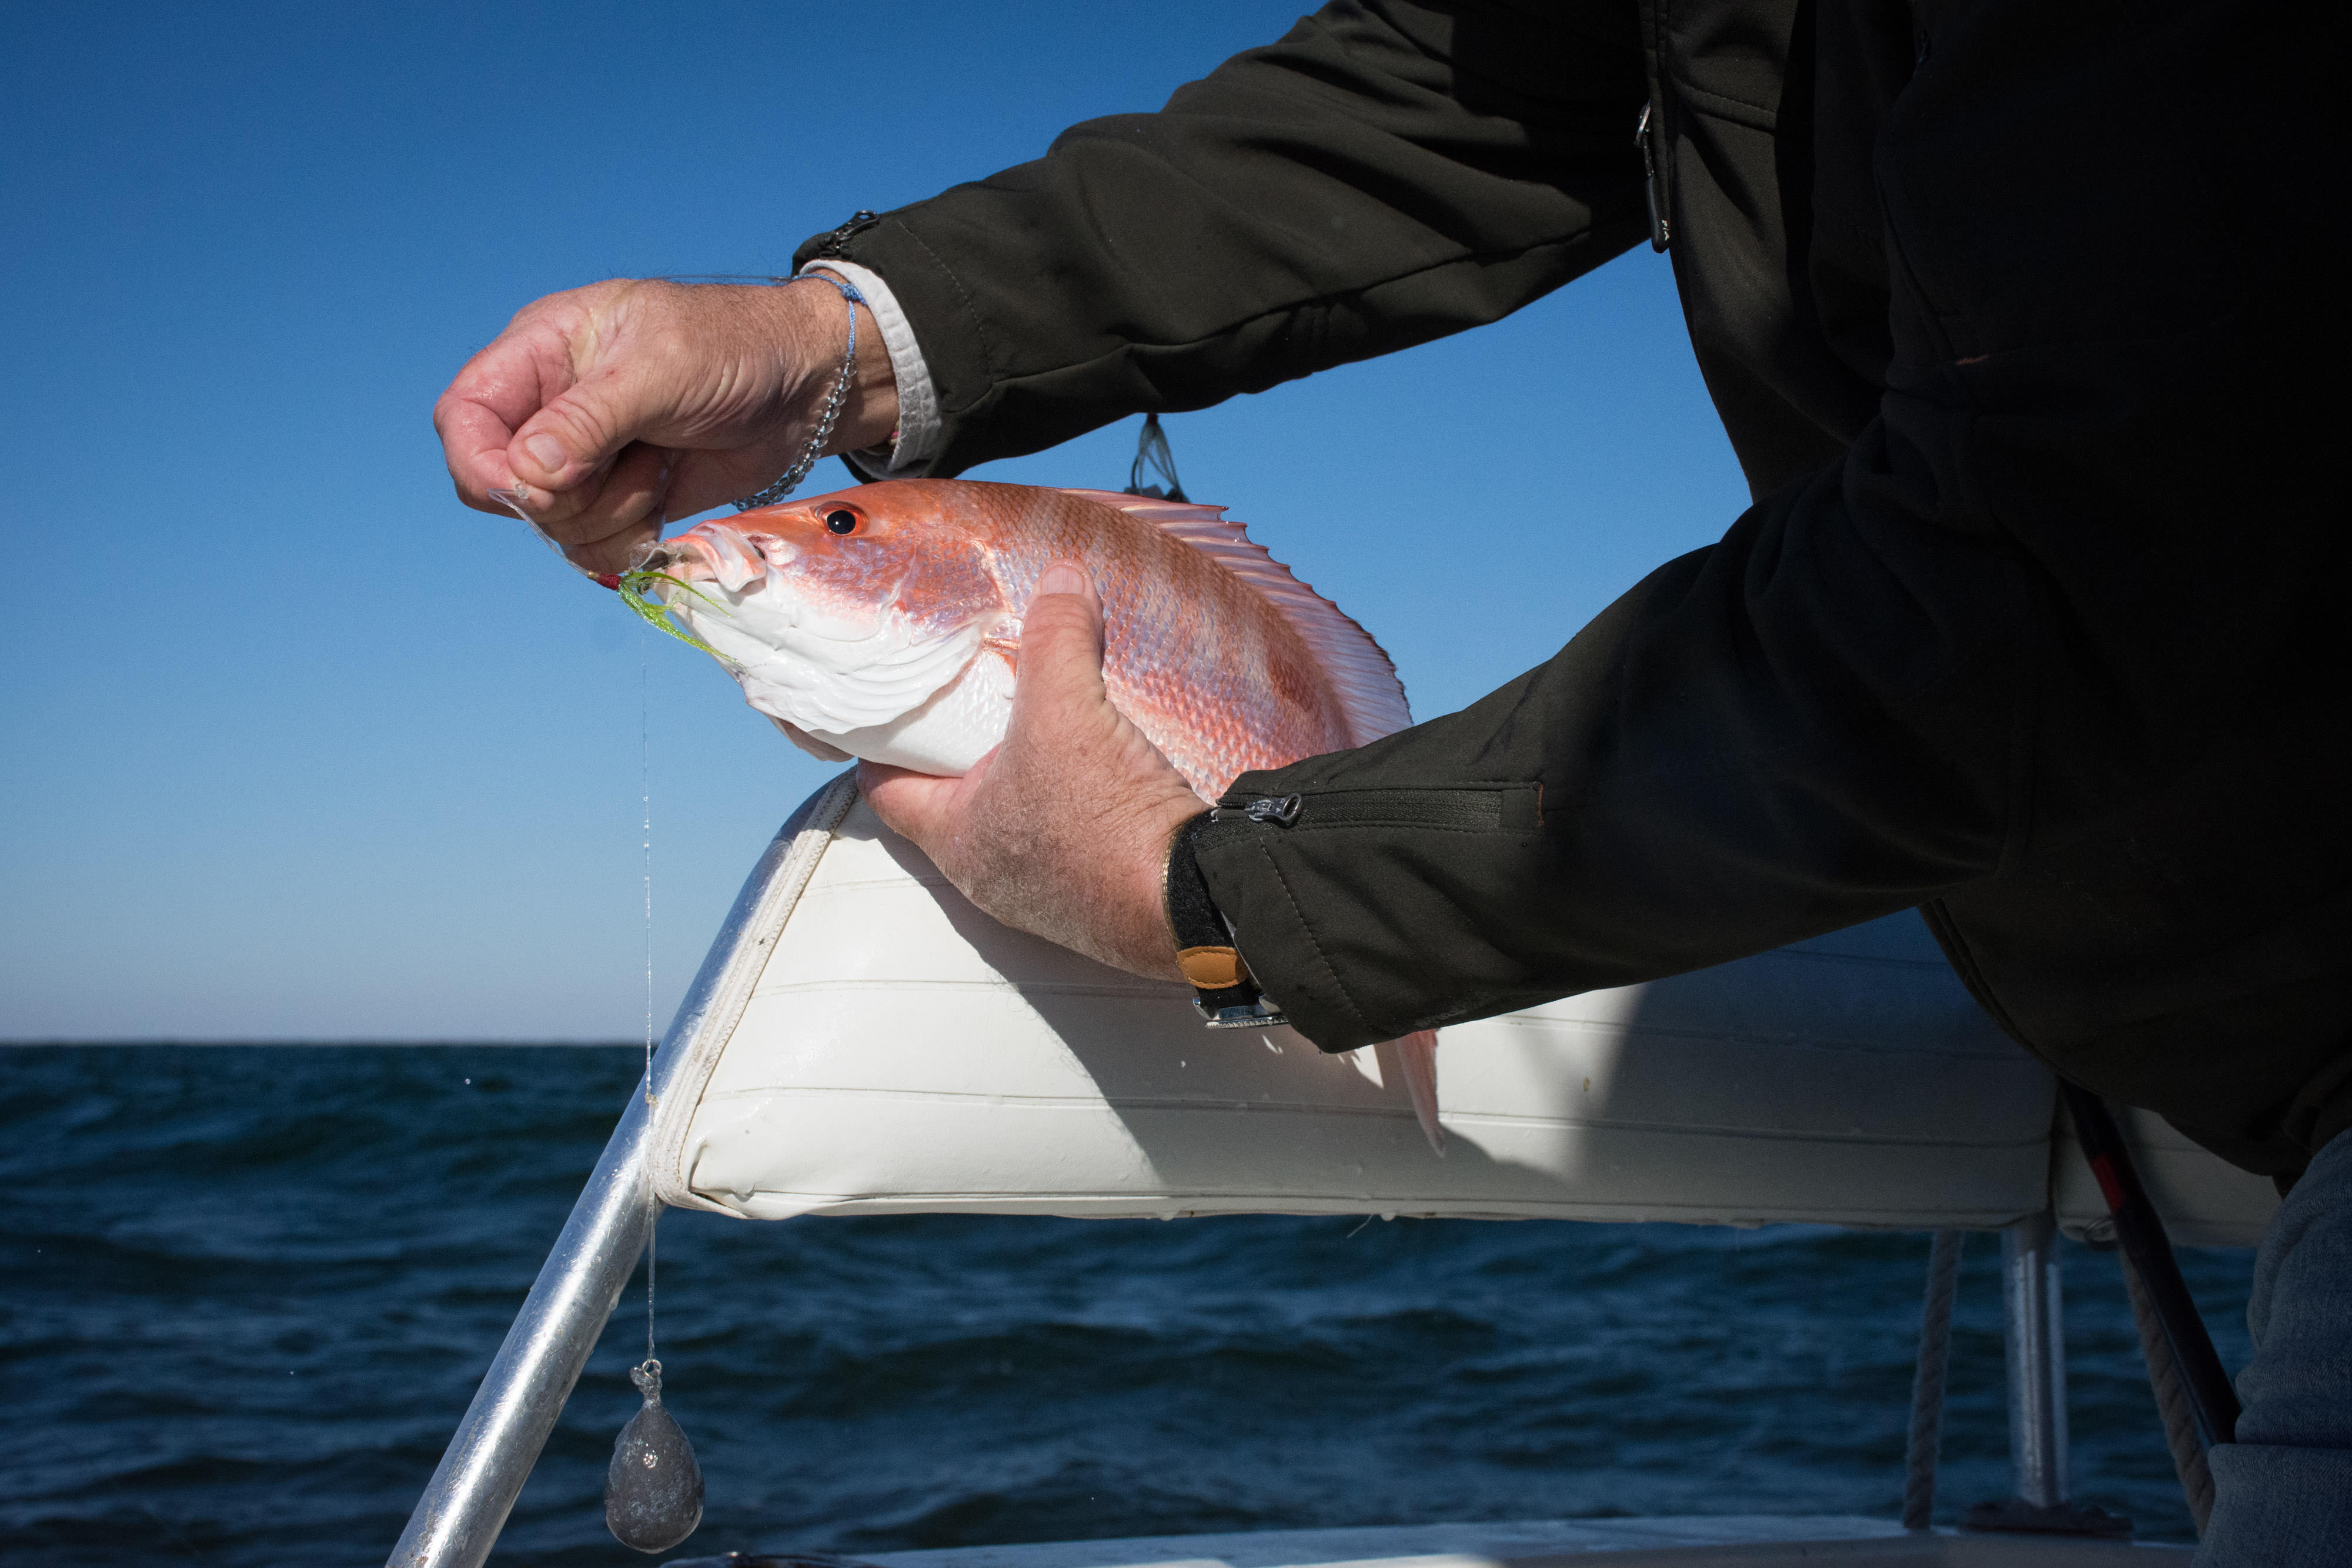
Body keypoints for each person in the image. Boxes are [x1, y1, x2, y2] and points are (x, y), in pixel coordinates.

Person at [434, 3, 2348, 1558]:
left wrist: (1227, 896)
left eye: (845, 527)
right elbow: (1464, 79)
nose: (792, 545)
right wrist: (834, 343)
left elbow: (2066, 532)